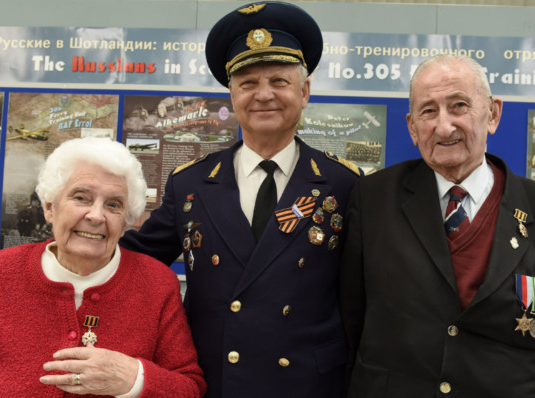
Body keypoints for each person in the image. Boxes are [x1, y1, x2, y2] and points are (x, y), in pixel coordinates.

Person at [119, 2, 361, 397]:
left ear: (305, 92)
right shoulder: (191, 184)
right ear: (231, 96)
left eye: (279, 81)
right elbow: (136, 261)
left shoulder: (343, 184)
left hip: (308, 384)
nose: (264, 95)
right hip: (217, 381)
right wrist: (53, 257)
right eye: (248, 83)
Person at [339, 54, 535, 397]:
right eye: (428, 111)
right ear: (412, 127)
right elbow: (348, 327)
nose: (444, 126)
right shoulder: (372, 201)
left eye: (459, 105)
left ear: (493, 114)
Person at [0, 137, 206, 397]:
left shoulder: (157, 284)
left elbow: (189, 387)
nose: (96, 216)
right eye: (81, 198)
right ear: (50, 208)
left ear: (125, 222)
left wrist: (134, 379)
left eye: (113, 205)